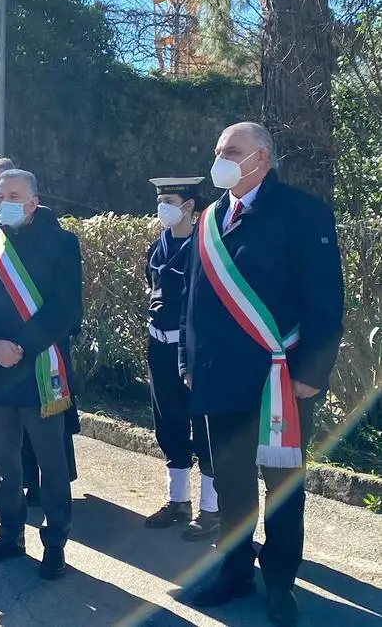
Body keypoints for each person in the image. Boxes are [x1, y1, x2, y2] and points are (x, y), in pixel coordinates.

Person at [180, 123, 344, 626]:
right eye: (218, 150)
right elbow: (193, 299)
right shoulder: (209, 218)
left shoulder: (303, 212)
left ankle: (279, 582)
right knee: (231, 486)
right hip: (220, 378)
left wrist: (312, 374)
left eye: (232, 150)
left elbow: (325, 301)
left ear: (262, 158)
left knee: (282, 489)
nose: (221, 158)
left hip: (282, 380)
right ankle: (233, 573)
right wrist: (189, 361)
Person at [0, 169, 83, 580]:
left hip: (41, 369)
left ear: (33, 201)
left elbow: (65, 309)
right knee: (4, 461)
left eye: (14, 194)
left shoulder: (62, 243)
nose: (4, 201)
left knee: (50, 463)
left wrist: (21, 347)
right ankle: (9, 533)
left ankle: (55, 542)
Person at [143, 176, 220, 540]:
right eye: (160, 200)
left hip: (191, 350)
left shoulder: (203, 246)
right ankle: (178, 501)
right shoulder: (157, 245)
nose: (162, 207)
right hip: (159, 344)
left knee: (203, 428)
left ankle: (211, 509)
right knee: (168, 423)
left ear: (188, 205)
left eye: (169, 200)